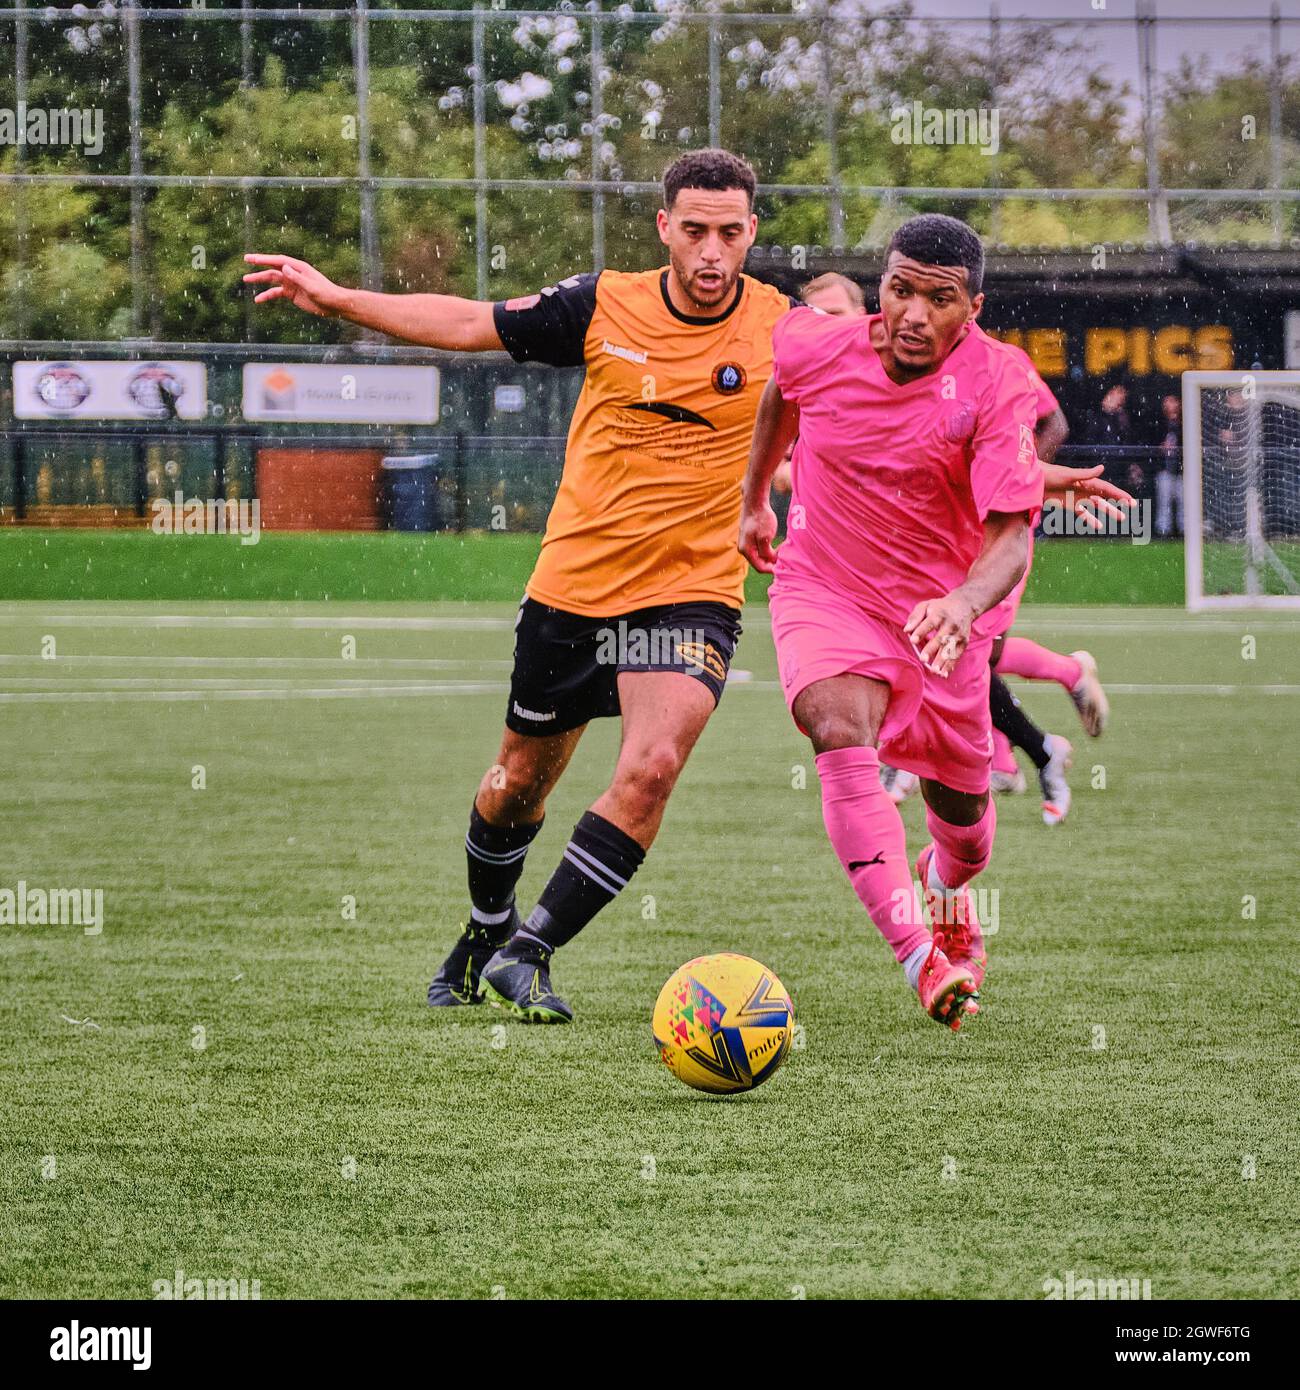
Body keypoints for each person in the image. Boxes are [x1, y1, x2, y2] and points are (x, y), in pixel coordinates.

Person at [245, 149, 793, 1024]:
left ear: (752, 232)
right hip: (575, 589)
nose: (711, 252)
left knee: (652, 767)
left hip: (691, 591)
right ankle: (484, 930)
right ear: (664, 228)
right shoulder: (601, 303)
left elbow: (886, 398)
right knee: (516, 784)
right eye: (694, 231)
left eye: (729, 233)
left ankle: (530, 950)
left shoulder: (782, 326)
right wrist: (342, 297)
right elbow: (468, 321)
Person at [739, 213, 1044, 1031]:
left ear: (971, 307)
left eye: (937, 299)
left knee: (969, 835)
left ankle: (944, 889)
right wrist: (756, 499)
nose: (911, 314)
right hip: (824, 586)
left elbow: (1011, 536)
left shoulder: (997, 381)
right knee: (837, 725)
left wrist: (963, 602)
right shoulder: (818, 342)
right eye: (899, 289)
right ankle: (920, 957)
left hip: (943, 623)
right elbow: (781, 392)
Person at [1153, 393, 1184, 539]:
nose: (1169, 405)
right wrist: (1160, 448)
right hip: (1165, 470)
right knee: (1164, 501)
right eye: (1166, 402)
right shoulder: (1159, 423)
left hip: (1182, 471)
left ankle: (1184, 530)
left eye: (1172, 401)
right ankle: (1163, 530)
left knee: (1184, 502)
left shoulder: (1184, 423)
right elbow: (1150, 444)